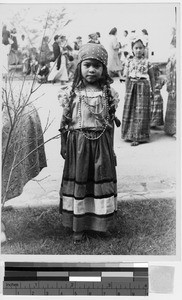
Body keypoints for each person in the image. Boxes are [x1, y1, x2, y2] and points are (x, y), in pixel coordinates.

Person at [58, 43, 120, 244]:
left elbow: (110, 125)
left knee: (99, 185)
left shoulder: (108, 93)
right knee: (81, 184)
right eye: (87, 65)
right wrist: (63, 144)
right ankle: (78, 226)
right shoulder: (71, 93)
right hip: (79, 146)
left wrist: (111, 151)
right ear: (79, 67)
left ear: (103, 68)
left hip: (101, 146)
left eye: (96, 65)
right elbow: (64, 121)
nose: (91, 70)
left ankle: (101, 225)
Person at [121, 37, 155, 146]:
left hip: (143, 86)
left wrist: (153, 90)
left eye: (141, 48)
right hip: (132, 86)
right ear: (132, 49)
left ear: (144, 49)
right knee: (131, 110)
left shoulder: (147, 62)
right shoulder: (129, 61)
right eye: (136, 48)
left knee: (141, 111)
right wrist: (126, 91)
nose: (138, 50)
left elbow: (152, 77)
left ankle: (140, 136)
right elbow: (126, 77)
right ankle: (129, 134)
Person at [164, 29, 176, 137]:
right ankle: (173, 128)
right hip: (175, 81)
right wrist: (170, 85)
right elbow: (169, 68)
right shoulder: (174, 52)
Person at [150, 64, 165, 128]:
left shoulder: (161, 79)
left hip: (156, 97)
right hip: (155, 96)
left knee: (154, 109)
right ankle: (153, 123)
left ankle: (154, 123)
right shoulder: (161, 80)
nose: (155, 74)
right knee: (153, 109)